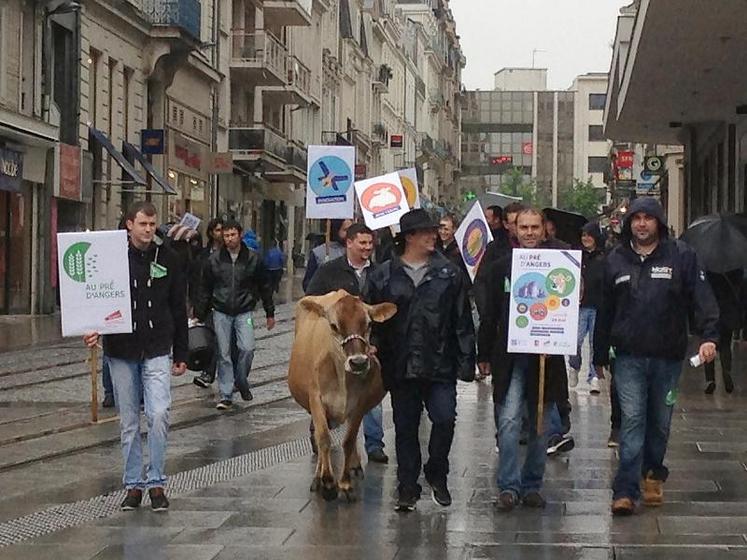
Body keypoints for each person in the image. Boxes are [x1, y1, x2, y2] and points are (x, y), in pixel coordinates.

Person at [593, 197, 719, 516]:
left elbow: (701, 298)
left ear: (659, 223)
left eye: (649, 218)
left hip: (668, 356)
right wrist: (598, 354)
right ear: (628, 223)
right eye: (637, 218)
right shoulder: (615, 259)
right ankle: (624, 489)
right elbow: (604, 310)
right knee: (633, 420)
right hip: (629, 357)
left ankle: (652, 474)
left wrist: (709, 336)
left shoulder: (682, 256)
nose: (642, 224)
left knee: (659, 423)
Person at [367, 209, 475, 512]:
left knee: (444, 418)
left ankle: (437, 471)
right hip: (400, 363)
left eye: (434, 230)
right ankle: (407, 486)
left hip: (440, 362)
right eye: (426, 231)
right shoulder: (384, 275)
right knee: (405, 427)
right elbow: (371, 319)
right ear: (409, 237)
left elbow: (461, 319)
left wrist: (468, 360)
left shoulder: (449, 273)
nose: (433, 235)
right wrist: (373, 346)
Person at [83, 201, 188, 512]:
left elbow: (178, 307)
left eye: (152, 224)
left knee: (158, 414)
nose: (148, 229)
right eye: (142, 223)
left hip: (157, 348)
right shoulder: (112, 258)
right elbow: (96, 295)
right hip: (122, 350)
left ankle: (156, 481)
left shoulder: (168, 257)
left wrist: (181, 351)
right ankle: (133, 485)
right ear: (129, 224)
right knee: (129, 422)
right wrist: (92, 329)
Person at [477, 208, 569, 511]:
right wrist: (484, 353)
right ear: (514, 229)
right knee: (508, 420)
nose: (529, 233)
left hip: (545, 358)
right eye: (524, 227)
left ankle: (531, 484)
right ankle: (508, 485)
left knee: (540, 425)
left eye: (534, 227)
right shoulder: (501, 267)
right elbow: (489, 313)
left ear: (544, 230)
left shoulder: (561, 263)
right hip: (509, 357)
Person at [306, 223, 388, 464]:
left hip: (367, 345)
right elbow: (312, 301)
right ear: (349, 243)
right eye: (362, 243)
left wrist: (378, 343)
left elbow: (386, 307)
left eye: (370, 243)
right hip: (336, 347)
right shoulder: (330, 270)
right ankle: (319, 427)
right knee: (329, 391)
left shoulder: (380, 272)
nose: (367, 248)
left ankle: (374, 443)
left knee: (370, 395)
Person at [196, 219, 276, 410]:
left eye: (232, 235)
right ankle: (226, 394)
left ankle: (240, 379)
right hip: (221, 311)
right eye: (226, 235)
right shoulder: (214, 260)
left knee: (247, 348)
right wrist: (200, 313)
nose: (229, 239)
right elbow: (205, 287)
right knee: (223, 353)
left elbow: (265, 286)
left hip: (244, 311)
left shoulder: (253, 259)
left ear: (240, 235)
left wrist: (269, 312)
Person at [568, 222, 606, 393]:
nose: (586, 238)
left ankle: (594, 376)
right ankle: (574, 366)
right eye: (583, 235)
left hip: (600, 306)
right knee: (575, 340)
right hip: (580, 306)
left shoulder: (605, 256)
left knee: (594, 343)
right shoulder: (575, 255)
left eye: (589, 235)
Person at [193, 218, 224, 388]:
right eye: (217, 230)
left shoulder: (231, 255)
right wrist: (196, 306)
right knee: (212, 340)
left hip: (226, 303)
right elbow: (198, 280)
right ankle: (209, 373)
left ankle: (230, 375)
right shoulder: (203, 255)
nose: (220, 234)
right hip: (209, 304)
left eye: (222, 230)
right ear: (211, 232)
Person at [704, 269, 743, 394]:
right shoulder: (736, 270)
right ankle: (727, 372)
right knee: (725, 345)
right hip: (728, 312)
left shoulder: (708, 271)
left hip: (711, 313)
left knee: (708, 345)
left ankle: (710, 379)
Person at [302, 219, 352, 291]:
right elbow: (308, 283)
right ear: (336, 230)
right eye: (345, 230)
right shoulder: (318, 253)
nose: (349, 233)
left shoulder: (356, 251)